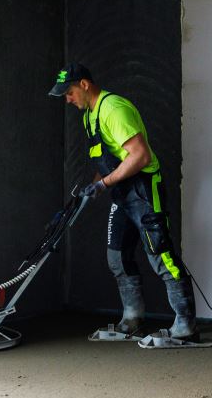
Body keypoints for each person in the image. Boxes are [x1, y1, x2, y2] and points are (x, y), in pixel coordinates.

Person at [48, 62, 201, 347]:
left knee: (161, 256)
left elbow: (140, 156)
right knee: (117, 257)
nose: (67, 100)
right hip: (121, 193)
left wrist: (103, 184)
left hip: (143, 189)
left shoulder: (113, 109)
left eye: (68, 93)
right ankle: (132, 319)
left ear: (84, 85)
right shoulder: (89, 117)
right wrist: (93, 186)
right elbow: (106, 159)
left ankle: (185, 325)